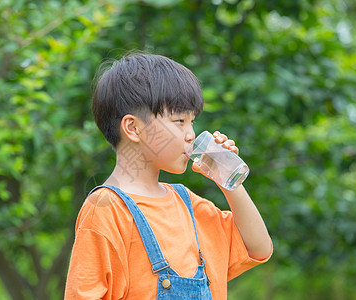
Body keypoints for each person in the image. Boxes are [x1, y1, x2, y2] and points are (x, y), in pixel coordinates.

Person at [64, 53, 272, 299]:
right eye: (179, 121)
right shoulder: (106, 210)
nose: (190, 134)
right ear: (133, 128)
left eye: (192, 121)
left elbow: (258, 247)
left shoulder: (187, 203)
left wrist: (228, 179)